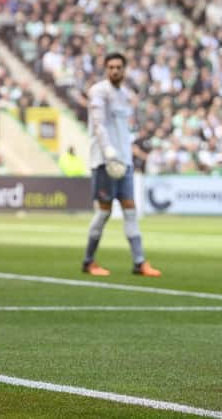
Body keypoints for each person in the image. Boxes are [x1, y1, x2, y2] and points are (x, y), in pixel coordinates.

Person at [81, 52, 161, 278]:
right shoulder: (99, 91)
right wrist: (107, 149)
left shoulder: (125, 94)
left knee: (130, 211)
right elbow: (98, 123)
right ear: (106, 69)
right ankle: (88, 261)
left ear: (125, 70)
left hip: (123, 162)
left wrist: (126, 155)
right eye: (111, 67)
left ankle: (139, 262)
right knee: (104, 213)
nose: (115, 71)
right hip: (104, 162)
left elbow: (123, 129)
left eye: (119, 67)